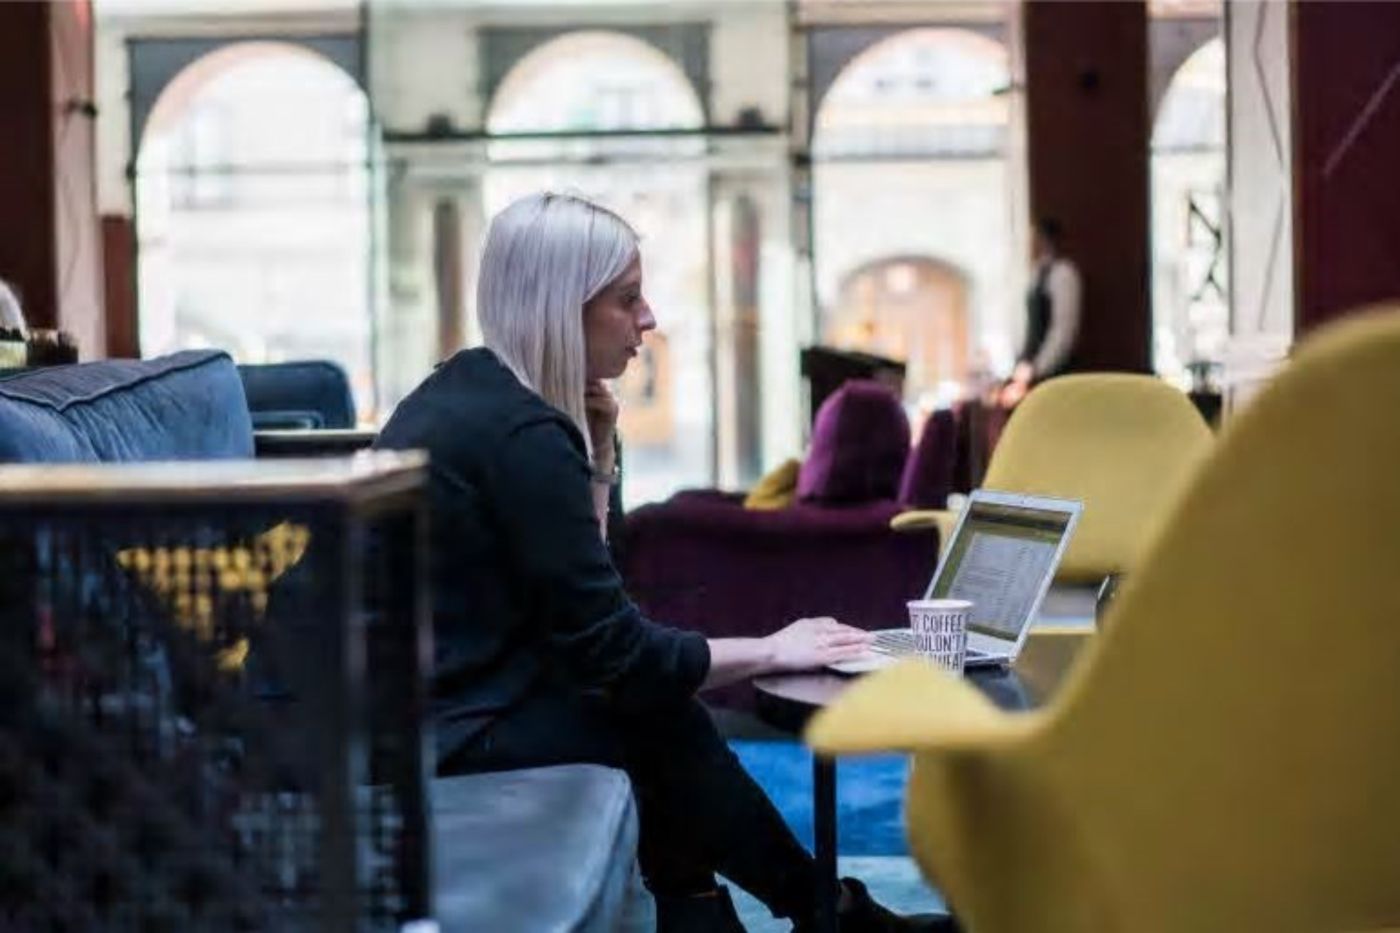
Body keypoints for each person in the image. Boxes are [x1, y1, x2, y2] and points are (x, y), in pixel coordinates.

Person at [376, 192, 947, 932]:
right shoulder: (519, 434)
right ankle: (828, 914)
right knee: (658, 720)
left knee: (653, 727)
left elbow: (590, 590)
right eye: (627, 299)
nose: (647, 319)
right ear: (562, 308)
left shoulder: (483, 393)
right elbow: (616, 651)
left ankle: (789, 914)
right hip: (428, 727)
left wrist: (599, 454)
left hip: (436, 701)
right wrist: (774, 647)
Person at [999, 218, 1081, 408]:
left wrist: (1039, 368)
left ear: (1044, 240)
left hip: (1053, 372)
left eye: (1032, 239)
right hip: (1030, 369)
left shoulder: (1064, 274)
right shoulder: (1036, 274)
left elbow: (1063, 330)